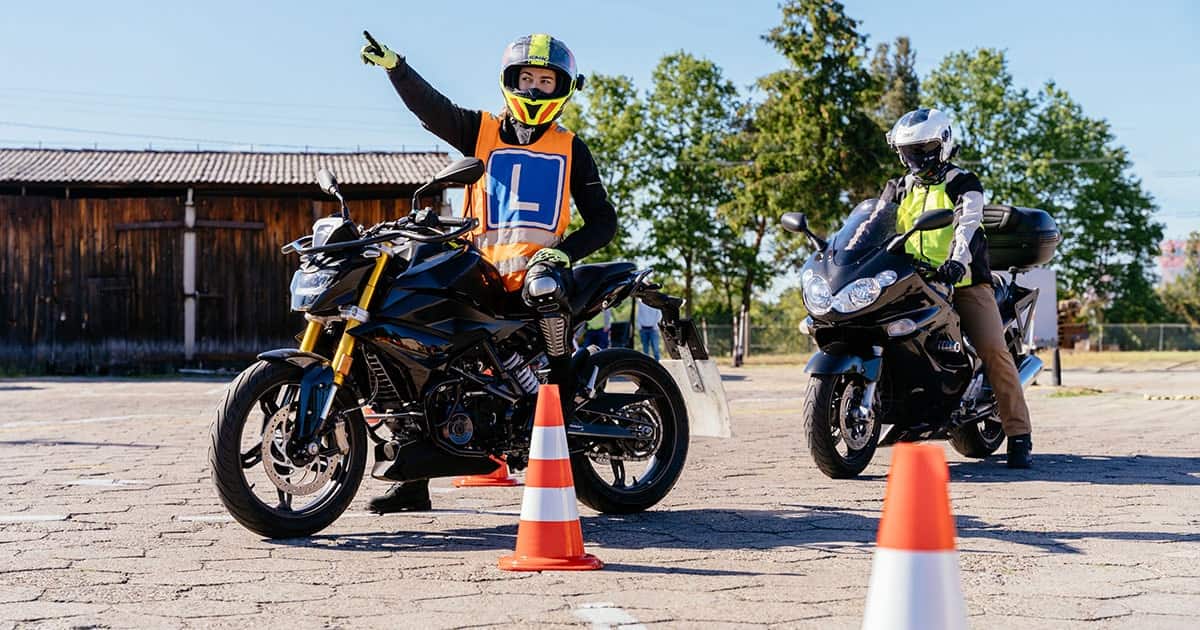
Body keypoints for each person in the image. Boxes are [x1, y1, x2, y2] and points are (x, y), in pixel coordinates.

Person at [360, 33, 617, 512]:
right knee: (416, 342)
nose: (535, 89)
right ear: (511, 81)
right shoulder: (481, 130)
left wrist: (563, 254)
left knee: (545, 292)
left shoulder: (571, 147)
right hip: (479, 275)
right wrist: (397, 67)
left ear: (563, 87)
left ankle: (561, 412)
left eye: (546, 81)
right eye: (528, 79)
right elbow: (432, 110)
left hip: (539, 279)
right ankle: (413, 479)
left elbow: (604, 221)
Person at [880, 107, 1033, 469]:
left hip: (962, 281)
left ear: (943, 145)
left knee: (993, 350)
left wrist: (957, 262)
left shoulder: (963, 182)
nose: (915, 159)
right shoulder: (898, 187)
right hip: (912, 282)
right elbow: (875, 222)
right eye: (908, 152)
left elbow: (967, 224)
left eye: (923, 150)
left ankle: (1019, 434)